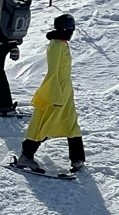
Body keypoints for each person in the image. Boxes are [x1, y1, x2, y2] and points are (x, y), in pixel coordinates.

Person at [12, 14, 85, 174]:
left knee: (71, 123)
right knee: (44, 124)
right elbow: (53, 72)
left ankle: (77, 159)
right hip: (56, 91)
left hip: (65, 91)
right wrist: (56, 95)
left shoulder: (62, 44)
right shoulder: (56, 46)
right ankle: (27, 155)